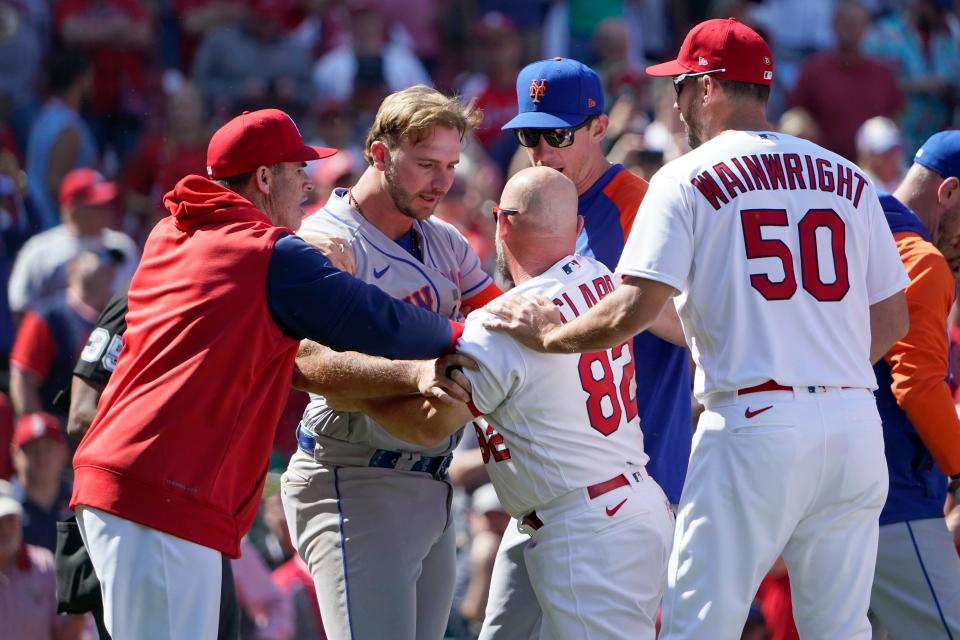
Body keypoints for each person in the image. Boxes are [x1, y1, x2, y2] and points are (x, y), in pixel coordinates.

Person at [483, 18, 910, 639]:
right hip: (852, 425)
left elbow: (632, 308)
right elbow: (892, 318)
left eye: (681, 85)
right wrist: (825, 373)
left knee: (697, 624)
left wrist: (551, 336)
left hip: (754, 423)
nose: (675, 101)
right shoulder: (847, 175)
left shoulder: (686, 175)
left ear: (707, 87)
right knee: (839, 628)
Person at [68, 107, 473, 640]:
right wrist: (463, 339)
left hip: (136, 484)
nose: (308, 182)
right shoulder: (266, 254)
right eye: (295, 169)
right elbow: (378, 320)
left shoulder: (171, 232)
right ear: (263, 178)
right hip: (159, 491)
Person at [342, 166, 675, 639]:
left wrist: (342, 380)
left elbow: (427, 427)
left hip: (587, 527)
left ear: (501, 223)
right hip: (590, 508)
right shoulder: (598, 274)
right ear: (577, 230)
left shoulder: (500, 325)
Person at [481, 55, 691, 639]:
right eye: (530, 135)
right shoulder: (532, 200)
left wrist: (605, 305)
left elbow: (690, 326)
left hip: (631, 475)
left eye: (559, 134)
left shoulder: (641, 205)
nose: (543, 150)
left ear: (600, 128)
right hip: (552, 476)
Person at [280, 85, 499, 640]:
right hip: (354, 473)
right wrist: (414, 373)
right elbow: (304, 363)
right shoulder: (327, 240)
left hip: (432, 479)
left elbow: (498, 326)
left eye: (450, 165)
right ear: (379, 154)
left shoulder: (446, 240)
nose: (442, 181)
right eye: (426, 164)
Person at [870, 130, 960, 637]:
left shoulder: (850, 224)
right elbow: (918, 385)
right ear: (947, 192)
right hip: (894, 496)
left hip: (818, 491)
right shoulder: (918, 257)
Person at [8, 168, 138, 321]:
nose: (107, 211)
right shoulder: (40, 251)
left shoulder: (123, 246)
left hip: (112, 337)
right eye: (97, 206)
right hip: (59, 339)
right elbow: (19, 306)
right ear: (72, 208)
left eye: (107, 204)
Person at [10, 250, 117, 417]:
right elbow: (24, 380)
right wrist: (41, 434)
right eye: (98, 256)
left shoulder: (123, 319)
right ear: (73, 267)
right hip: (59, 427)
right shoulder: (47, 317)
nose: (107, 266)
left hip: (105, 428)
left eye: (112, 263)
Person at [0, 479, 86, 640]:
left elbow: (67, 635)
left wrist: (78, 615)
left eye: (10, 519)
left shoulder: (44, 565)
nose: (4, 530)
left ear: (19, 520)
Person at [9, 412, 72, 553]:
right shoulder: (5, 505)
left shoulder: (78, 502)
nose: (41, 456)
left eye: (49, 447)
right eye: (32, 448)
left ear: (63, 451)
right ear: (14, 454)